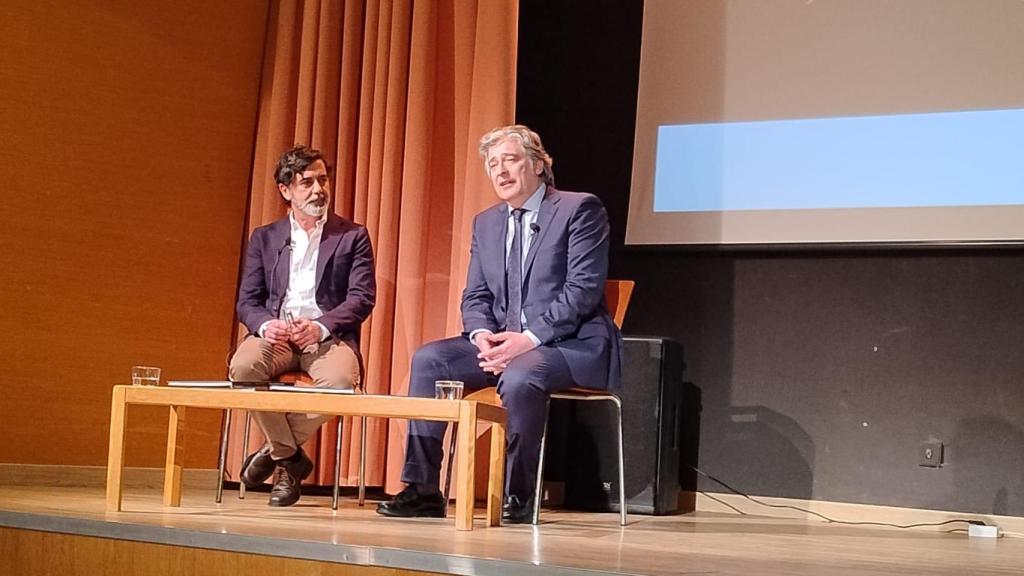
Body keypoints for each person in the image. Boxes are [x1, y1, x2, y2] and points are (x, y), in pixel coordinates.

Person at [377, 125, 622, 523]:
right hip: (505, 346)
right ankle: (422, 489)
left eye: (511, 159)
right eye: (493, 164)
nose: (501, 171)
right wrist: (481, 335)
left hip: (568, 344)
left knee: (522, 375)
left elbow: (583, 290)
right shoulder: (487, 222)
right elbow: (475, 296)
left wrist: (526, 339)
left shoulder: (579, 209)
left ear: (540, 165)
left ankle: (518, 494)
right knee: (429, 360)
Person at [229, 144, 376, 507]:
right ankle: (291, 459)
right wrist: (266, 326)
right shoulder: (265, 238)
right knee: (243, 368)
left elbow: (361, 298)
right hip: (276, 338)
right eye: (306, 182)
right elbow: (247, 301)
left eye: (322, 180)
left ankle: (276, 452)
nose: (318, 190)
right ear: (286, 190)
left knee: (342, 385)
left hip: (326, 338)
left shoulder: (352, 235)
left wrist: (321, 326)